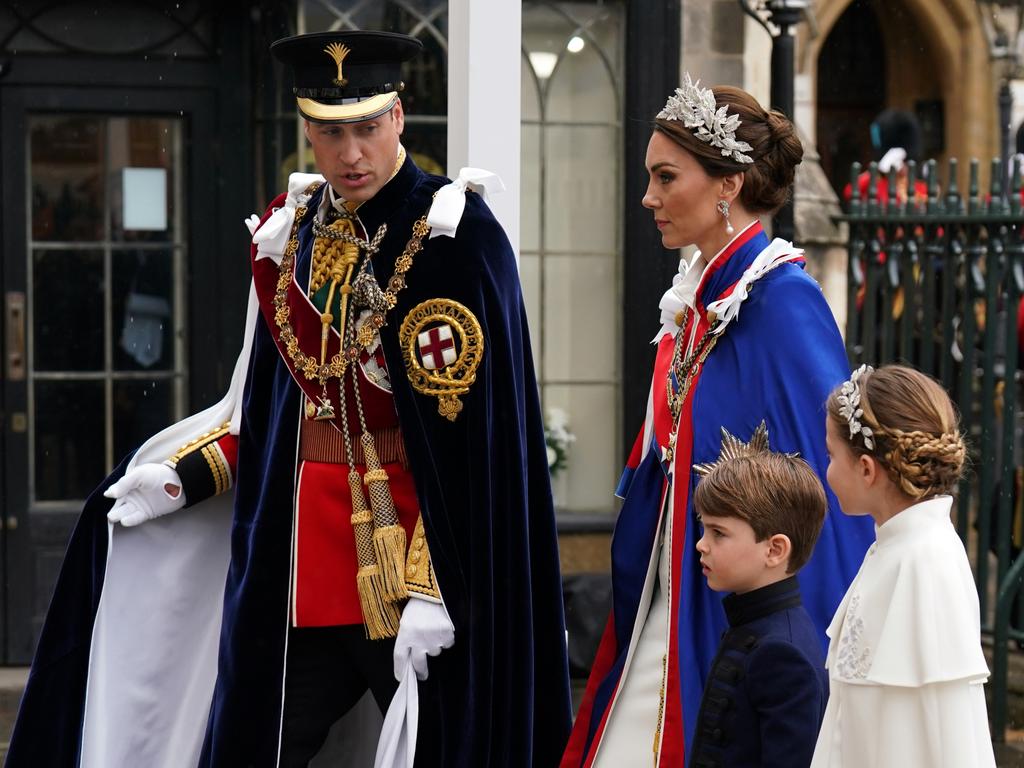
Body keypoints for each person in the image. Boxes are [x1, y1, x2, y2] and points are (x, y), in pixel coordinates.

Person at [8, 30, 572, 768]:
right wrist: (185, 477)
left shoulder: (454, 235)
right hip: (302, 565)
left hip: (413, 570)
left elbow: (482, 445)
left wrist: (436, 586)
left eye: (367, 127)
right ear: (307, 128)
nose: (351, 154)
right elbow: (269, 409)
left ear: (400, 117)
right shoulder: (294, 230)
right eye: (331, 132)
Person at [560, 74, 874, 767]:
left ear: (727, 185)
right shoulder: (702, 300)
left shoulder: (782, 301)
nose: (648, 197)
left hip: (731, 616)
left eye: (666, 177)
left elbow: (829, 493)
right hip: (672, 599)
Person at [811, 364, 996, 768]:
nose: (826, 471)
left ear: (866, 469)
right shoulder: (896, 548)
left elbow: (936, 736)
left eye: (830, 455)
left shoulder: (922, 565)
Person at [689, 437, 829, 767]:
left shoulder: (782, 653)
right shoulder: (753, 626)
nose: (701, 545)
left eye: (717, 533)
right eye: (703, 529)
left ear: (775, 549)